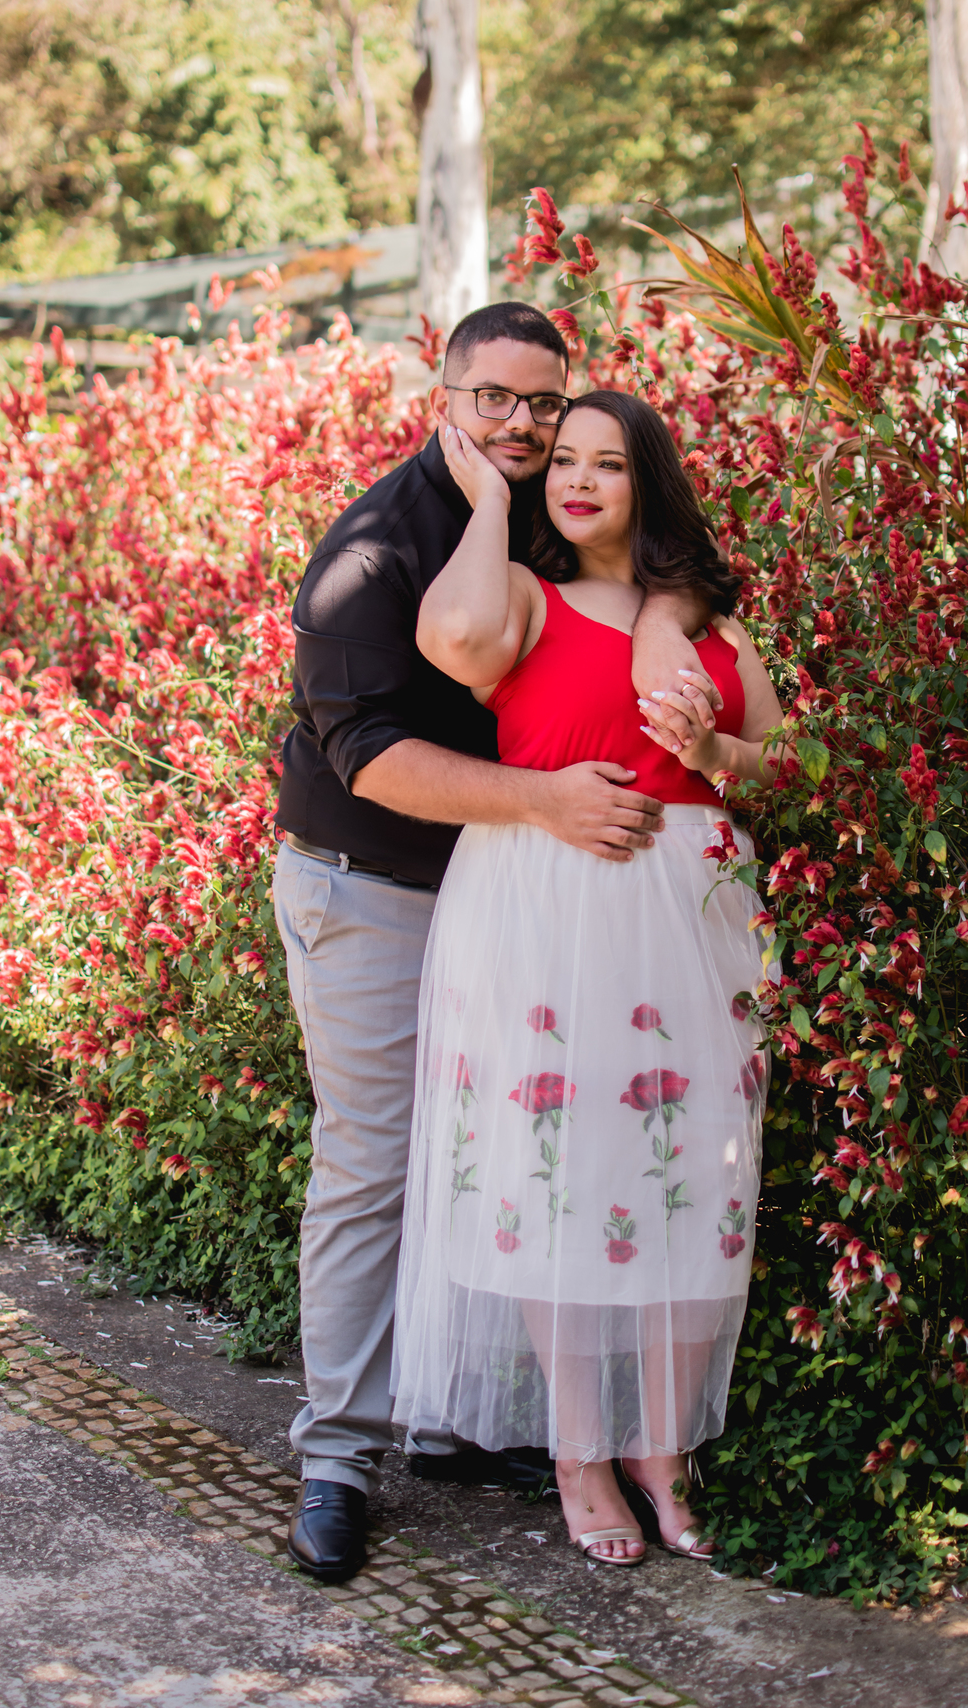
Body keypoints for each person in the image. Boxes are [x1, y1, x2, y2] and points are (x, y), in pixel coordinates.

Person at [272, 304, 723, 1583]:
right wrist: (547, 800)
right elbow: (369, 756)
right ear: (443, 395)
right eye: (496, 399)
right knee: (376, 1158)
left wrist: (657, 625)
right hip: (372, 881)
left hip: (519, 891)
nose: (525, 425)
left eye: (543, 400)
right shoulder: (368, 551)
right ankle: (340, 1456)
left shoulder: (546, 490)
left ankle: (463, 1414)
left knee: (520, 1148)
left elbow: (666, 542)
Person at [391, 388, 786, 1567]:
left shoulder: (711, 622)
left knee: (692, 1176)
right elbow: (455, 641)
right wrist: (487, 502)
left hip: (694, 914)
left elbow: (789, 761)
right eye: (559, 461)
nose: (576, 480)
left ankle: (662, 1450)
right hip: (543, 911)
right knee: (554, 1172)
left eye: (605, 465)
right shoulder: (524, 594)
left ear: (646, 482)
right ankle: (577, 1453)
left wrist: (713, 750)